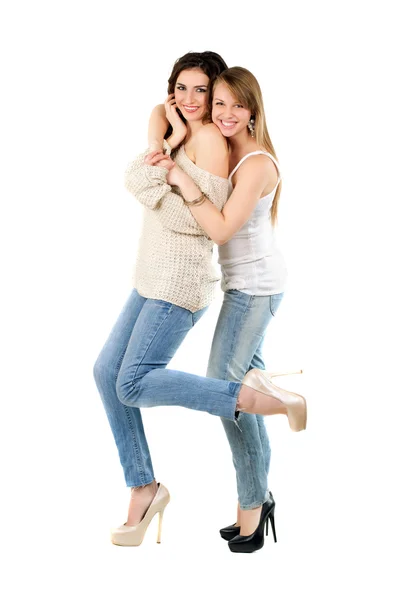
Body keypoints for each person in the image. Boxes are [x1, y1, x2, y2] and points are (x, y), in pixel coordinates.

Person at [93, 53, 306, 550]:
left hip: (228, 285)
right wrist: (162, 144)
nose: (194, 102)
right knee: (108, 374)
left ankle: (261, 429)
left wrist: (172, 176)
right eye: (181, 90)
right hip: (185, 278)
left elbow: (205, 225)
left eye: (205, 93)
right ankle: (154, 486)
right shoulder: (196, 129)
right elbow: (142, 171)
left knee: (179, 385)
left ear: (246, 107)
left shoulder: (220, 143)